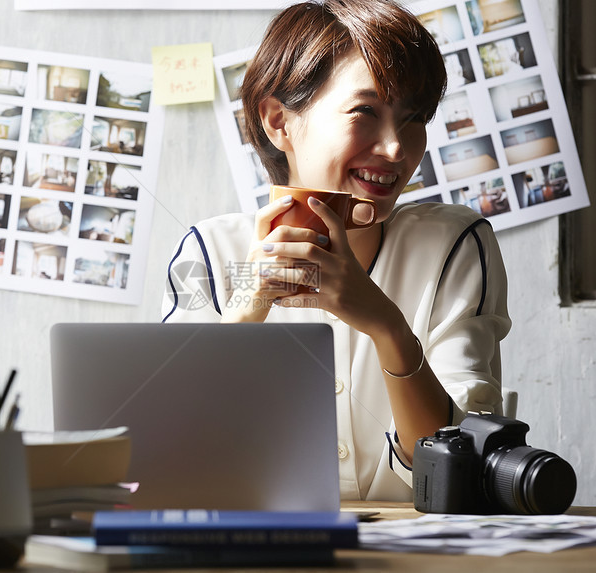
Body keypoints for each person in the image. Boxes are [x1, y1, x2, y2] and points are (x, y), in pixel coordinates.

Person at [161, 0, 510, 501]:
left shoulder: (454, 245)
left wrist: (387, 325)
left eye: (413, 118)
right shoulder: (210, 252)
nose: (396, 149)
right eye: (365, 112)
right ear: (279, 122)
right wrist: (246, 309)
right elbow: (171, 454)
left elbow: (461, 466)